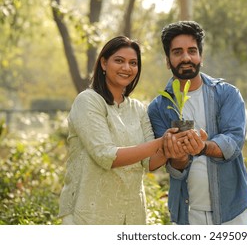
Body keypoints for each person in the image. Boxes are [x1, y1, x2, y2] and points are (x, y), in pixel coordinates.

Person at [58, 35, 186, 225]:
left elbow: (149, 162)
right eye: (119, 61)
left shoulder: (138, 109)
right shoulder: (88, 101)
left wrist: (174, 145)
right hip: (90, 215)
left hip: (132, 216)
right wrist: (161, 142)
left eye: (133, 63)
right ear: (103, 63)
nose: (127, 68)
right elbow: (105, 155)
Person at [147, 21, 247, 225]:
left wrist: (203, 147)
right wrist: (178, 156)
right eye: (177, 52)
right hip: (188, 213)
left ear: (200, 57)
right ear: (168, 60)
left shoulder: (227, 94)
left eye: (192, 51)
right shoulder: (159, 107)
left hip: (233, 213)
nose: (186, 57)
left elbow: (233, 142)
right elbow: (173, 165)